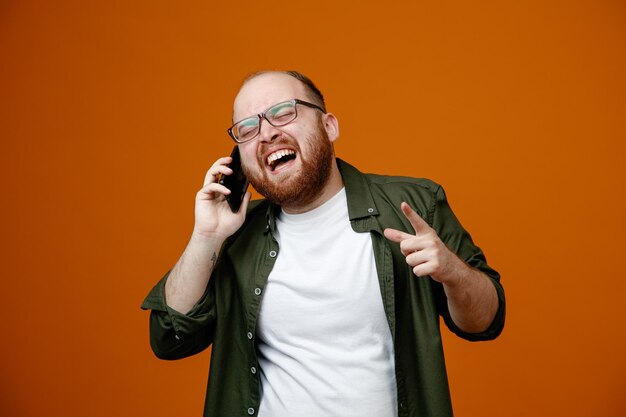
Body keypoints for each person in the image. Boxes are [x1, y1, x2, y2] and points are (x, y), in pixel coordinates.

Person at [141, 70, 506, 417]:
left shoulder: (415, 205)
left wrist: (453, 273)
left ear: (329, 126)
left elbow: (485, 321)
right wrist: (207, 236)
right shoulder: (234, 236)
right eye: (248, 128)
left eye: (283, 113)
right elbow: (169, 338)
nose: (266, 133)